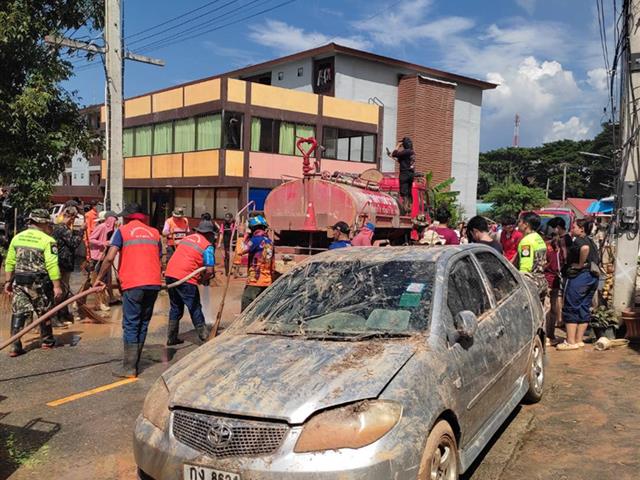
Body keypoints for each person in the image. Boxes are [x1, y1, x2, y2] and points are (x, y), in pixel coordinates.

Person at [94, 203, 162, 378]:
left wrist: (99, 279)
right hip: (154, 283)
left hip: (133, 284)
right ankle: (135, 362)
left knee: (131, 323)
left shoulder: (123, 231)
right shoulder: (154, 233)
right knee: (143, 322)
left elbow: (109, 257)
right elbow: (159, 257)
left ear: (127, 217)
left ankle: (130, 368)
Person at [4, 209, 63, 357]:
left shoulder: (17, 238)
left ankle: (15, 345)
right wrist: (57, 286)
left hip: (19, 281)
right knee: (44, 310)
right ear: (43, 223)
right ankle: (47, 340)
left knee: (19, 312)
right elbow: (52, 265)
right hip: (39, 283)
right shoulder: (48, 240)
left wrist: (7, 281)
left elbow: (10, 262)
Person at [164, 220, 217, 345]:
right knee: (194, 307)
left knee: (176, 307)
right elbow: (209, 269)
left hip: (170, 274)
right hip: (186, 277)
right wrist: (203, 280)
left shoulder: (187, 238)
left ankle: (171, 338)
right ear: (209, 234)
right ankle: (204, 337)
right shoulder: (207, 246)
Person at [557, 218, 600, 351]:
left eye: (574, 226)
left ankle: (570, 341)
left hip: (580, 277)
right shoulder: (590, 240)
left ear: (582, 229)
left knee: (571, 306)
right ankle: (578, 340)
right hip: (592, 277)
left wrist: (580, 265)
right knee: (584, 306)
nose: (572, 228)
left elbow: (584, 249)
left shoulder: (580, 241)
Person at [52, 206, 85, 326]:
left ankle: (63, 315)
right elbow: (74, 242)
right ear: (69, 216)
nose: (73, 220)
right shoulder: (61, 228)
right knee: (60, 292)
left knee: (65, 291)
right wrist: (81, 231)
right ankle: (55, 317)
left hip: (65, 264)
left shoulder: (63, 227)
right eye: (73, 218)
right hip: (61, 264)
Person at [240, 215, 275, 312]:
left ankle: (244, 325)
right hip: (267, 280)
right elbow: (273, 263)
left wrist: (244, 237)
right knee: (261, 307)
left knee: (247, 304)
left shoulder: (254, 240)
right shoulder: (270, 242)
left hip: (255, 280)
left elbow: (241, 250)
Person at [87, 211, 118, 311]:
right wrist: (103, 243)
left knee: (107, 280)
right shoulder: (102, 227)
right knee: (98, 280)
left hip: (106, 257)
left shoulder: (114, 229)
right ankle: (100, 302)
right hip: (98, 258)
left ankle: (110, 299)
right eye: (114, 219)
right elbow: (91, 239)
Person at [516, 212, 548, 297]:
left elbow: (525, 268)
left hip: (532, 283)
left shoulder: (526, 241)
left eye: (520, 221)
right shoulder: (538, 237)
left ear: (526, 224)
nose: (518, 224)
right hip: (541, 281)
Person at [389, 137, 416, 213]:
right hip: (411, 174)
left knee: (404, 193)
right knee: (408, 191)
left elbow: (394, 154)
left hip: (405, 174)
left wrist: (397, 146)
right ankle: (409, 207)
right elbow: (401, 161)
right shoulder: (411, 152)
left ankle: (405, 208)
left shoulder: (406, 151)